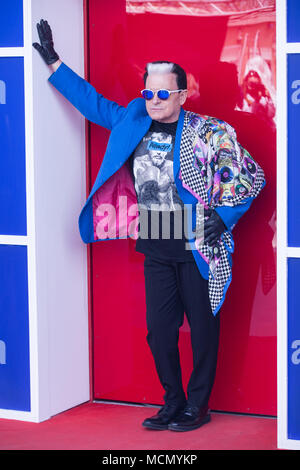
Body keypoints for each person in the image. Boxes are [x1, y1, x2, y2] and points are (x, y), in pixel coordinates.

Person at [33, 19, 266, 432]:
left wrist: (224, 216)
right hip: (156, 238)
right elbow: (92, 103)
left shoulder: (209, 131)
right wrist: (54, 63)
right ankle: (172, 402)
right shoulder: (133, 121)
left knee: (202, 328)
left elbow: (249, 175)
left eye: (163, 93)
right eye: (148, 92)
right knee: (160, 332)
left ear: (181, 93)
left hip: (196, 240)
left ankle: (198, 406)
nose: (154, 100)